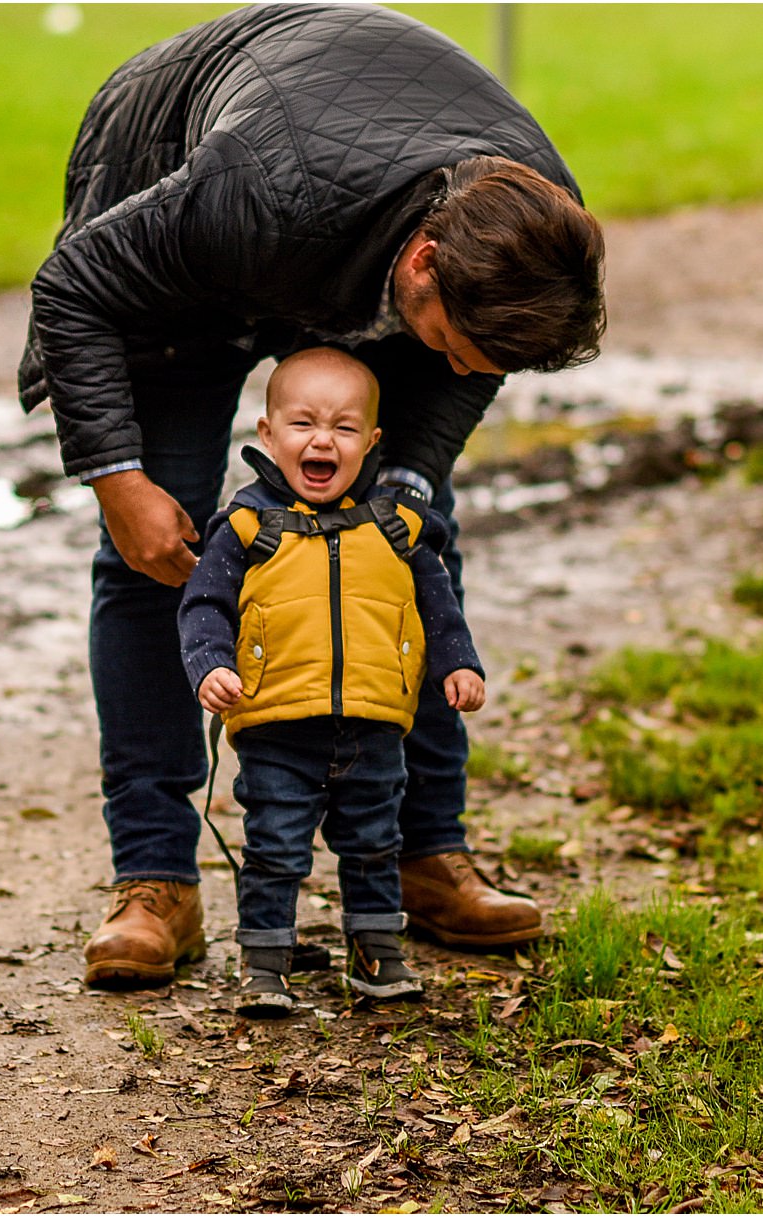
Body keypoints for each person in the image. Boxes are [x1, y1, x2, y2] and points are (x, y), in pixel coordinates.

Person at [17, 2, 605, 988]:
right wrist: (116, 481)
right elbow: (73, 286)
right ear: (424, 263)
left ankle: (427, 851)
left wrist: (407, 485)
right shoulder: (243, 192)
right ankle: (155, 879)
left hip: (342, 210)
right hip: (199, 201)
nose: (468, 369)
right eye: (458, 344)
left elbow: (465, 366)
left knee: (413, 532)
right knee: (156, 540)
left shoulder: (534, 230)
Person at [179, 349, 485, 1016]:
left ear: (373, 441)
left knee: (376, 842)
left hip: (373, 725)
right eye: (304, 423)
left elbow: (439, 602)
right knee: (276, 846)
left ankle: (378, 950)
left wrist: (459, 663)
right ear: (267, 434)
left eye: (345, 428)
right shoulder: (246, 527)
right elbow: (203, 605)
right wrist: (211, 665)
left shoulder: (397, 526)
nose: (323, 440)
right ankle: (266, 962)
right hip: (277, 727)